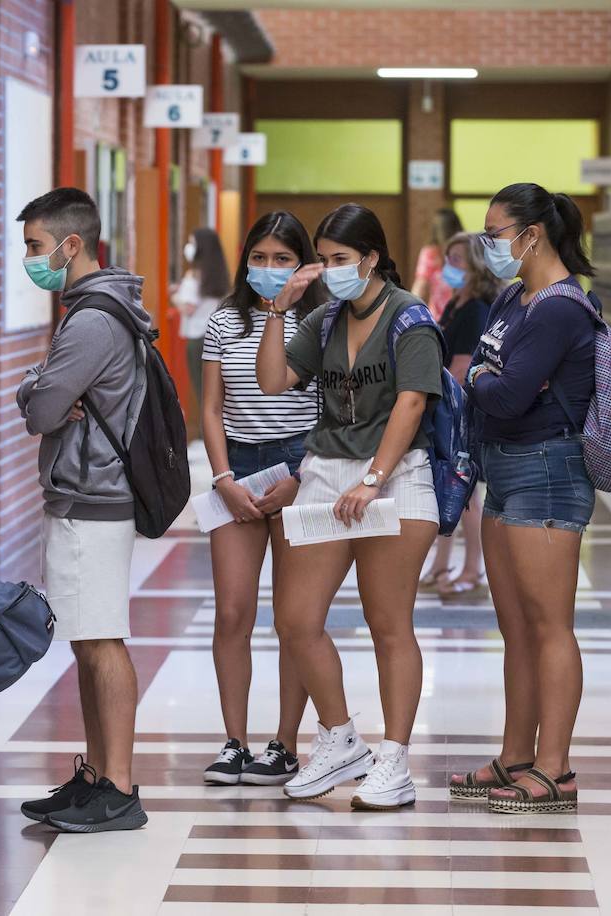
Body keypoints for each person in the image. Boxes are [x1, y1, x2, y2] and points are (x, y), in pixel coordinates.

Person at [256, 203, 443, 808]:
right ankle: (340, 739)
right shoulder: (327, 318)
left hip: (398, 474)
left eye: (342, 260)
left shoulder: (410, 317)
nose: (331, 270)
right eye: (325, 259)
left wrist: (374, 477)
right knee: (295, 618)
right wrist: (279, 312)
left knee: (389, 624)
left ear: (371, 258)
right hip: (326, 472)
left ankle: (395, 758)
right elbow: (273, 382)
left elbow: (412, 403)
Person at [449, 183, 597, 814]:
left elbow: (503, 391)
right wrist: (490, 379)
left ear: (531, 235)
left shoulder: (562, 308)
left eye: (496, 232)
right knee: (515, 629)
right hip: (504, 467)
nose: (490, 245)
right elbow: (496, 382)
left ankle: (555, 768)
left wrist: (481, 377)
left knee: (548, 625)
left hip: (548, 468)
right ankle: (516, 756)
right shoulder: (514, 297)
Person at [15, 187, 153, 832]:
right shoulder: (93, 310)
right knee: (86, 639)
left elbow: (43, 409)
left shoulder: (94, 318)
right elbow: (42, 393)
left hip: (92, 495)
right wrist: (38, 389)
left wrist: (39, 393)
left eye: (36, 247)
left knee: (101, 640)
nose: (30, 259)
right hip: (84, 491)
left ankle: (118, 788)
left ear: (72, 245)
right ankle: (97, 776)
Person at [199, 212, 322, 785]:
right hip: (239, 468)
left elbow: (331, 410)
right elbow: (211, 408)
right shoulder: (224, 320)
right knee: (232, 611)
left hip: (301, 467)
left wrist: (301, 475)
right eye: (259, 258)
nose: (269, 270)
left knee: (294, 619)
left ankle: (285, 743)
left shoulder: (322, 320)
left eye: (282, 259)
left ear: (304, 265)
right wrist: (223, 477)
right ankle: (233, 742)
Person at [422, 231, 498, 598]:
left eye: (457, 260)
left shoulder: (476, 310)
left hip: (462, 414)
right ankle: (441, 564)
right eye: (447, 258)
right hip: (448, 413)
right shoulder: (456, 303)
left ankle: (472, 569)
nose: (449, 267)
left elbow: (460, 372)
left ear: (476, 265)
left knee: (465, 493)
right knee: (448, 490)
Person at [172, 227, 230, 422]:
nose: (188, 247)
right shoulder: (219, 274)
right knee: (216, 392)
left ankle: (209, 436)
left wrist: (175, 297)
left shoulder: (193, 276)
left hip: (197, 339)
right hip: (216, 337)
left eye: (192, 242)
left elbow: (188, 308)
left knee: (202, 391)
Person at [410, 207, 464, 321]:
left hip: (438, 319)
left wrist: (410, 314)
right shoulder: (466, 250)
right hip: (463, 315)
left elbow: (419, 289)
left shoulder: (430, 253)